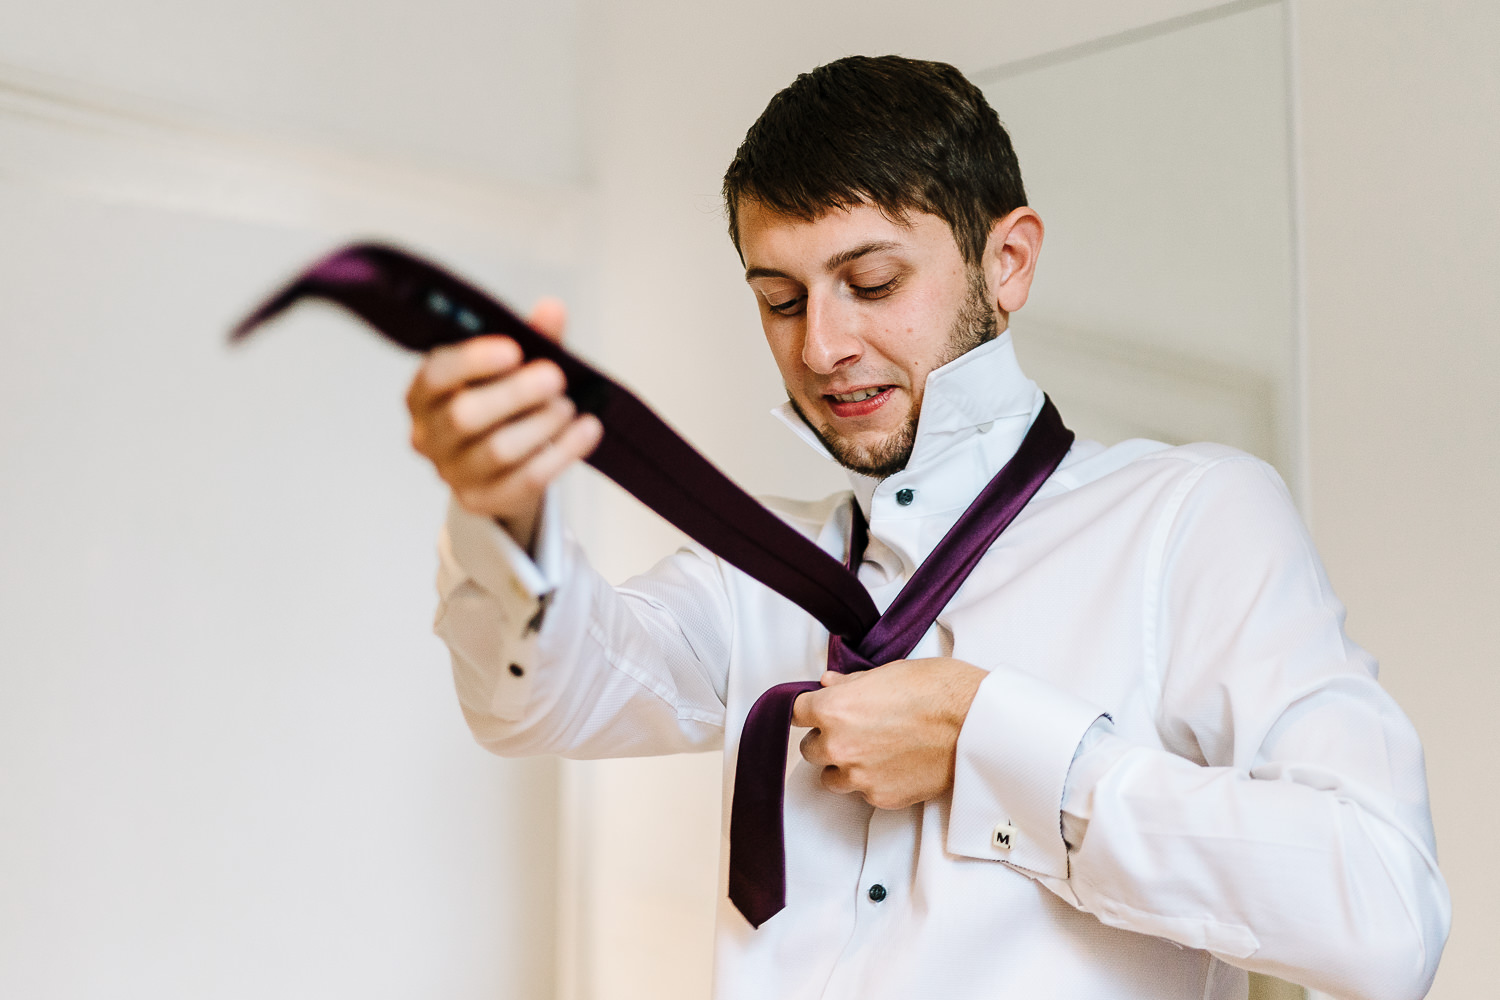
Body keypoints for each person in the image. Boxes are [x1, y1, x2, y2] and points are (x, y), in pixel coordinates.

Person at [406, 56, 1449, 1000]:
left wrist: (989, 741)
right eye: (780, 299)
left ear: (1009, 263)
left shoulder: (1190, 521)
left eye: (872, 283)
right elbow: (538, 701)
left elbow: (1384, 915)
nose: (822, 347)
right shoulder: (754, 571)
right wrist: (503, 504)